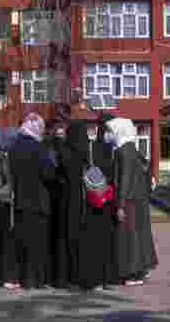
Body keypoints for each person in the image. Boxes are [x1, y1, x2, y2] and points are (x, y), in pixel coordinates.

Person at [62, 120, 114, 290]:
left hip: (73, 202)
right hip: (92, 201)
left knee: (74, 241)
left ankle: (77, 279)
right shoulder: (91, 149)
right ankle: (96, 279)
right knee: (92, 243)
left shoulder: (66, 152)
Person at [106, 117, 158, 286]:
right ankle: (141, 270)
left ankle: (131, 273)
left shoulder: (122, 152)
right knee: (140, 235)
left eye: (111, 132)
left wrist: (120, 204)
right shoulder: (132, 149)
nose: (109, 135)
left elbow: (124, 178)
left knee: (129, 237)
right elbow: (145, 167)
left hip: (128, 201)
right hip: (139, 199)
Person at [7, 113, 56, 289]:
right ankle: (36, 279)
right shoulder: (39, 148)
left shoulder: (13, 147)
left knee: (23, 242)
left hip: (20, 200)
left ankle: (23, 278)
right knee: (38, 244)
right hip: (38, 201)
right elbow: (49, 174)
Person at [90, 112, 120, 286]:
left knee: (98, 238)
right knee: (109, 239)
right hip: (109, 197)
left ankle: (99, 275)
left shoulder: (92, 147)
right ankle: (109, 276)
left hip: (96, 195)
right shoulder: (114, 148)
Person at [45, 119, 74, 288]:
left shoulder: (48, 147)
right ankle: (61, 277)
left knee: (53, 238)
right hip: (60, 198)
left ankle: (53, 275)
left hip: (52, 197)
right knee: (60, 238)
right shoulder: (64, 150)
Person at [0, 128, 21, 290]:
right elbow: (5, 182)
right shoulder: (2, 157)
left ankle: (1, 277)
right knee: (6, 242)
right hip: (4, 203)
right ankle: (6, 277)